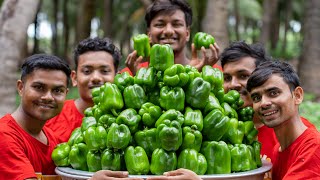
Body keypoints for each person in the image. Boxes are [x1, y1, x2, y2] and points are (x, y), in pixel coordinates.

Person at [220, 41, 315, 163]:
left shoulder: (294, 131)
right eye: (227, 78)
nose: (233, 85)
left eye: (243, 76)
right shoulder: (221, 127)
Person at [246, 60, 320, 179]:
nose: (263, 103)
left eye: (273, 93)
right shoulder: (278, 149)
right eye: (256, 97)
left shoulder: (313, 148)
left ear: (297, 95)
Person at [0, 54, 71, 179]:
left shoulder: (55, 141)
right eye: (39, 87)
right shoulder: (4, 135)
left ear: (66, 93)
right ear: (21, 88)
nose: (48, 97)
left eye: (58, 90)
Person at [45, 37, 121, 143]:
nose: (96, 78)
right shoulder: (51, 116)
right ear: (74, 78)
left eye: (104, 71)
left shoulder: (125, 118)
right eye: (87, 71)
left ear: (117, 77)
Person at [121, 0, 221, 76]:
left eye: (176, 24)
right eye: (160, 25)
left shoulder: (213, 71)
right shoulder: (130, 73)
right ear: (149, 35)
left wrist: (198, 75)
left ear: (187, 34)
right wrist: (139, 79)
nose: (168, 31)